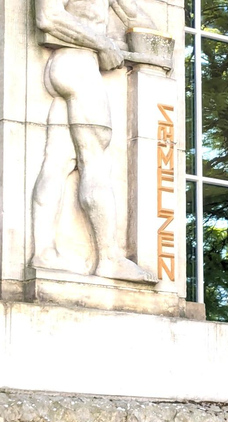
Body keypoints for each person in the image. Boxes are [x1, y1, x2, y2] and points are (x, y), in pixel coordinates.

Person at [32, 0, 156, 282]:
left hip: (69, 66)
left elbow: (138, 18)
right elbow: (48, 17)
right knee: (95, 162)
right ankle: (109, 259)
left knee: (57, 162)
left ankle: (44, 253)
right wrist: (102, 43)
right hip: (79, 65)